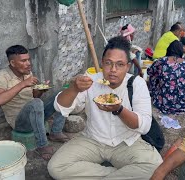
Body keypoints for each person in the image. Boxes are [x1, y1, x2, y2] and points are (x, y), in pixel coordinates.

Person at [48, 36, 162, 179]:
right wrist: (74, 88)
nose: (113, 70)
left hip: (126, 142)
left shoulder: (136, 84)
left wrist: (119, 109)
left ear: (127, 66)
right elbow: (60, 107)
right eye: (108, 63)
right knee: (56, 167)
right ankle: (115, 175)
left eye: (120, 64)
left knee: (156, 166)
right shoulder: (91, 80)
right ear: (102, 63)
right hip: (92, 140)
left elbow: (144, 126)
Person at [0, 45, 69, 160]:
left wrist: (40, 90)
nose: (28, 63)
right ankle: (42, 145)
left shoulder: (27, 73)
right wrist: (23, 84)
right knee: (36, 103)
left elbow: (34, 96)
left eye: (28, 59)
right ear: (12, 63)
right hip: (20, 122)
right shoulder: (3, 76)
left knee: (64, 93)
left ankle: (56, 132)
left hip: (36, 115)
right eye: (23, 61)